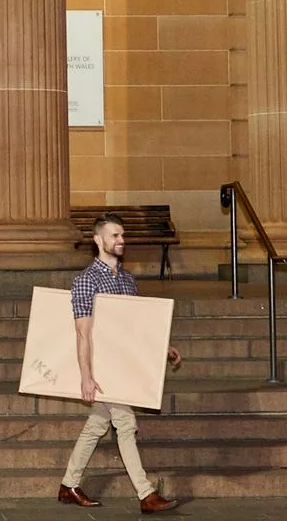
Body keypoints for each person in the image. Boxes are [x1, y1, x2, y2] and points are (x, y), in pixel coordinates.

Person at [58, 213, 183, 512]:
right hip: (102, 367)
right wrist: (86, 377)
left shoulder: (127, 279)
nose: (121, 240)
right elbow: (82, 333)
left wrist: (161, 346)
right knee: (125, 423)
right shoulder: (87, 280)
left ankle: (68, 485)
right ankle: (146, 494)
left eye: (122, 235)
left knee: (97, 424)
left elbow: (135, 326)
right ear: (98, 240)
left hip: (122, 367)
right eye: (115, 235)